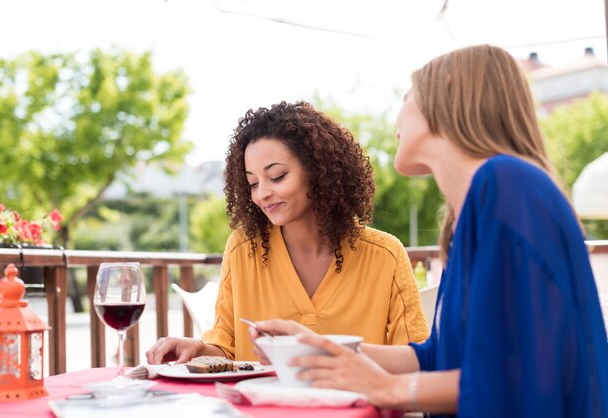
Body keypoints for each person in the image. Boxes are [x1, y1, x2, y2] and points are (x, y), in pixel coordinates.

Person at [251, 45, 608, 417]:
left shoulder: (506, 185)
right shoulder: (478, 206)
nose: (397, 115)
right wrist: (314, 346)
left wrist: (386, 388)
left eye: (407, 96)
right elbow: (436, 357)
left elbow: (515, 375)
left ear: (449, 93)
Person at [145, 101, 429, 364]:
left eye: (277, 176)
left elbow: (414, 356)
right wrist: (197, 349)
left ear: (318, 170)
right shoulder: (244, 248)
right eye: (253, 183)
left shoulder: (384, 255)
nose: (263, 194)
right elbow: (227, 348)